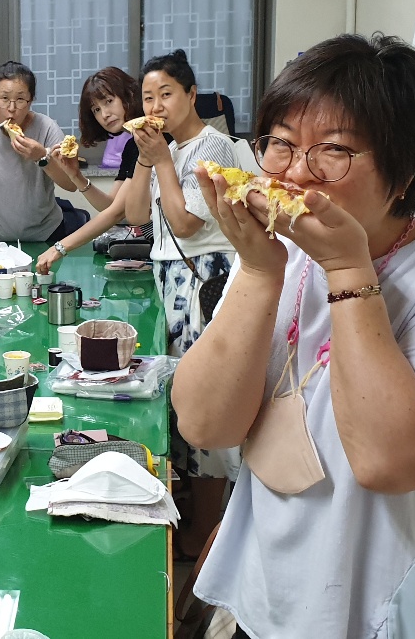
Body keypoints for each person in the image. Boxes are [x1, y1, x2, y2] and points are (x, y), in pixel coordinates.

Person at [175, 34, 415, 638]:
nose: (294, 172)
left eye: (333, 151)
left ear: (403, 172)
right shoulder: (274, 255)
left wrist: (346, 268)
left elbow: (387, 463)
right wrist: (259, 271)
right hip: (269, 611)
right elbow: (206, 425)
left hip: (406, 618)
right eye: (281, 144)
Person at [122, 49, 252, 558]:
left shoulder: (212, 146)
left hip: (204, 285)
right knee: (181, 402)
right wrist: (147, 158)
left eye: (166, 94)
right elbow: (136, 214)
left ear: (192, 95)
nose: (155, 106)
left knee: (206, 405)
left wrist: (161, 161)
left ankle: (206, 535)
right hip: (172, 286)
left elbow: (186, 225)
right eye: (147, 98)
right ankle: (193, 515)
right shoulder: (168, 149)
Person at [0, 61, 81, 242]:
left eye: (20, 99)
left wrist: (42, 157)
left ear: (30, 101)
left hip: (46, 235)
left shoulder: (46, 127)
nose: (11, 108)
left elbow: (71, 184)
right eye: (4, 98)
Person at [35, 66, 144, 274]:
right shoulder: (132, 145)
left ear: (129, 94)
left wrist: (60, 247)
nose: (105, 114)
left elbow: (116, 212)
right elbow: (111, 206)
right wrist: (75, 175)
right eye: (96, 110)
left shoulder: (148, 138)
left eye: (109, 101)